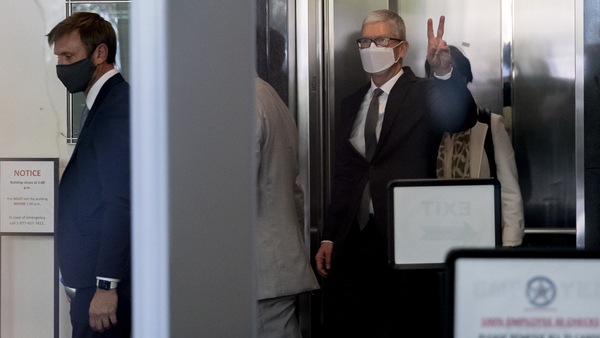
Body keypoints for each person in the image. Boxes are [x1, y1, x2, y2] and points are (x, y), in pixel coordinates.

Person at [314, 9, 477, 337]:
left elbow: (462, 118)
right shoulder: (351, 103)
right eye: (365, 41)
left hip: (406, 238)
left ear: (401, 48)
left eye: (381, 40)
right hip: (355, 239)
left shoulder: (422, 93)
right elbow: (346, 173)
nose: (371, 47)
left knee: (403, 325)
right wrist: (330, 234)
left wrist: (444, 73)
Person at [47, 12, 131, 337]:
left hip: (104, 289)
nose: (61, 67)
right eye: (58, 58)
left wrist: (105, 286)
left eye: (68, 57)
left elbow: (120, 201)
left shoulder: (116, 108)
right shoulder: (100, 105)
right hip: (88, 284)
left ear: (100, 54)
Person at [427, 45, 525, 247]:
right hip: (434, 236)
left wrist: (510, 243)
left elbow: (509, 191)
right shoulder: (425, 125)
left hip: (481, 237)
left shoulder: (490, 124)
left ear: (463, 80)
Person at [254, 74, 320, 337]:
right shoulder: (269, 95)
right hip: (273, 266)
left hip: (259, 273)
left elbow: (232, 195)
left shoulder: (240, 102)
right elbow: (295, 190)